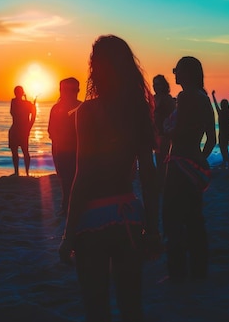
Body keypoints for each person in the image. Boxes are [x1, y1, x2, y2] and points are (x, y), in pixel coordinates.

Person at [59, 35, 161, 322]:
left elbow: (83, 174)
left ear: (96, 68)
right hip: (128, 214)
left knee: (96, 306)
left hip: (92, 219)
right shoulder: (139, 110)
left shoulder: (88, 111)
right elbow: (149, 175)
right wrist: (153, 229)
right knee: (131, 304)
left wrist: (68, 236)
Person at [162, 57, 216, 282]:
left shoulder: (185, 97)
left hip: (179, 162)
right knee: (194, 218)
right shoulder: (204, 98)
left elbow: (177, 130)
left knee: (172, 218)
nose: (174, 74)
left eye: (177, 70)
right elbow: (212, 139)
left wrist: (164, 128)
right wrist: (198, 159)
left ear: (187, 73)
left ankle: (177, 272)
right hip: (194, 163)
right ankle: (199, 270)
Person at [48, 77, 81, 214]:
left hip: (77, 149)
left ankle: (68, 204)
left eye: (69, 90)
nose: (66, 93)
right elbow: (51, 130)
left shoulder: (82, 107)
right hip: (60, 149)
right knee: (64, 177)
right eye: (63, 89)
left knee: (74, 177)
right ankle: (67, 202)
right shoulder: (56, 108)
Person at [152, 74, 176, 187]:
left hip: (165, 134)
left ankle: (165, 184)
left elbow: (173, 117)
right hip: (156, 134)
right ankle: (161, 184)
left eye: (158, 84)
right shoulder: (153, 98)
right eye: (154, 84)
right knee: (159, 161)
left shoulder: (167, 99)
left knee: (165, 161)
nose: (155, 86)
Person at [8, 85, 36, 176]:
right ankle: (18, 172)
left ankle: (25, 173)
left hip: (22, 130)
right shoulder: (16, 102)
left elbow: (33, 115)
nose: (17, 94)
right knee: (16, 152)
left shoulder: (25, 103)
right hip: (17, 129)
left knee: (24, 152)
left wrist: (29, 127)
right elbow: (14, 113)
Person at [212, 90, 229, 169]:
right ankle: (226, 162)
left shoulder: (221, 112)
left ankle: (228, 162)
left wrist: (213, 96)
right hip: (227, 133)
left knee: (223, 148)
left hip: (223, 133)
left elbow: (215, 104)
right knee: (224, 148)